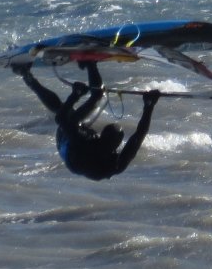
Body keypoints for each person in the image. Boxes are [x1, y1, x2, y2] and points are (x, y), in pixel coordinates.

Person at [13, 60, 161, 180]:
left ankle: (25, 74)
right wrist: (149, 105)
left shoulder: (83, 141)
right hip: (82, 151)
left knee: (66, 111)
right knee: (99, 97)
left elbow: (61, 119)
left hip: (67, 144)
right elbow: (140, 133)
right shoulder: (118, 163)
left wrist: (75, 95)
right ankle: (90, 63)